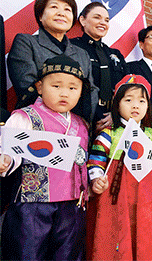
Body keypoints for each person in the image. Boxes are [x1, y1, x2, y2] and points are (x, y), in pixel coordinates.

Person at [0, 55, 90, 260]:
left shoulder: (82, 124)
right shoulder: (24, 117)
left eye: (72, 88)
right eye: (56, 86)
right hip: (33, 205)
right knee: (28, 253)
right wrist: (5, 161)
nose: (64, 93)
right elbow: (11, 152)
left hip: (72, 205)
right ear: (40, 87)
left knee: (67, 255)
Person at [86, 74, 152, 260]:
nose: (135, 105)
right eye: (128, 100)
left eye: (141, 101)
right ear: (117, 104)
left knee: (145, 230)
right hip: (114, 193)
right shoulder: (109, 134)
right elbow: (96, 161)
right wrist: (96, 179)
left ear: (148, 106)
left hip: (145, 193)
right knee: (115, 229)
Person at [7, 0, 97, 121]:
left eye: (67, 10)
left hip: (76, 126)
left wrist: (81, 123)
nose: (61, 13)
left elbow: (90, 93)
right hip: (36, 122)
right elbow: (26, 85)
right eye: (54, 7)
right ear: (40, 16)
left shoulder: (82, 53)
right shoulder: (26, 42)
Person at [71, 2, 129, 132]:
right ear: (83, 20)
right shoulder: (71, 48)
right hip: (81, 118)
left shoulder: (115, 54)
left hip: (113, 120)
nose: (103, 22)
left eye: (106, 20)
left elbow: (127, 87)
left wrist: (116, 114)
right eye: (97, 17)